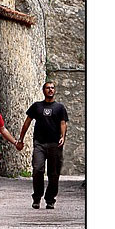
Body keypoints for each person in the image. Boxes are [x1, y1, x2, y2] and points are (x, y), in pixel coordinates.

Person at [17, 80, 69, 209]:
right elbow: (27, 122)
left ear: (54, 90)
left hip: (54, 144)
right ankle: (37, 197)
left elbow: (63, 123)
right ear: (43, 90)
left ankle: (50, 199)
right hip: (39, 143)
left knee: (54, 173)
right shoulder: (37, 106)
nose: (50, 90)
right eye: (47, 88)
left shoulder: (60, 107)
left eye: (52, 88)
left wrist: (62, 137)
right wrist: (21, 138)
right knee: (38, 169)